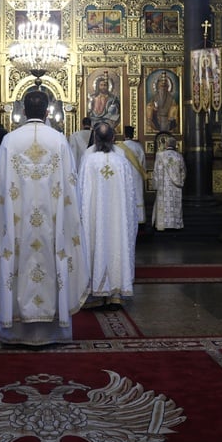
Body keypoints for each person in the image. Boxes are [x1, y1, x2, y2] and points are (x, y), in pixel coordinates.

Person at [0, 90, 90, 346]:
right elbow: (70, 189)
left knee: (16, 264)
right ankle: (53, 330)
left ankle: (15, 330)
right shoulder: (59, 140)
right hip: (52, 223)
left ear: (24, 111)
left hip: (17, 224)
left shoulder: (10, 141)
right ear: (48, 111)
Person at [77, 122, 138, 309]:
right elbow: (130, 196)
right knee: (117, 245)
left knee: (94, 244)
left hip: (94, 220)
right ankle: (115, 294)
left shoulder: (88, 161)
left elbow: (80, 193)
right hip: (117, 220)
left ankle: (95, 292)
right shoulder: (121, 162)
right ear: (113, 138)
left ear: (95, 139)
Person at [152, 136, 186, 231]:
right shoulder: (179, 156)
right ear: (175, 145)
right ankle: (175, 225)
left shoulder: (160, 155)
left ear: (166, 144)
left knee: (164, 204)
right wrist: (180, 181)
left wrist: (155, 185)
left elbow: (155, 172)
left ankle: (163, 225)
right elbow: (183, 172)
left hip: (163, 186)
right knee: (175, 204)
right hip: (176, 187)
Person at [121, 126, 147, 224]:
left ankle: (125, 217)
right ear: (133, 135)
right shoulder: (138, 146)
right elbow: (143, 163)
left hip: (124, 175)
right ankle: (139, 218)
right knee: (138, 196)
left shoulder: (119, 147)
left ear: (124, 134)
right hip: (136, 175)